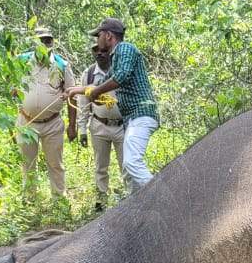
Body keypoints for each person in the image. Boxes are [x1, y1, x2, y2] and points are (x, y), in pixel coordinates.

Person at [66, 18, 157, 193]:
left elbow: (120, 77)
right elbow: (104, 81)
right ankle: (141, 204)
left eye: (98, 35)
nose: (96, 41)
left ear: (108, 36)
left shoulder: (124, 48)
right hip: (132, 119)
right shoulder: (117, 57)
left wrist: (96, 92)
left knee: (131, 163)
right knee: (130, 167)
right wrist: (75, 90)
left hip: (141, 113)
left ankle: (158, 197)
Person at [17, 27, 77, 198]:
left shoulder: (62, 65)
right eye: (41, 40)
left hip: (52, 123)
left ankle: (59, 198)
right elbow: (10, 83)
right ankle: (29, 199)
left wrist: (72, 126)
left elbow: (72, 96)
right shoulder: (21, 62)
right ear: (34, 43)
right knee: (28, 164)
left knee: (55, 163)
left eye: (48, 40)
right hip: (26, 122)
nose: (45, 44)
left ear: (52, 42)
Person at [77, 44, 125, 210]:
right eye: (96, 50)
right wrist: (81, 129)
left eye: (104, 50)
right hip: (99, 124)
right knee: (100, 166)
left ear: (110, 51)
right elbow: (83, 102)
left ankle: (131, 197)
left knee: (126, 164)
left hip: (121, 125)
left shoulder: (120, 71)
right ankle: (101, 200)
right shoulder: (89, 74)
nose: (100, 54)